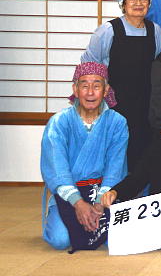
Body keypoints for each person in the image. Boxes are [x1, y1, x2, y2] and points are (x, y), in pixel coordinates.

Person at [40, 62, 128, 250]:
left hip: (103, 194)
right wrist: (78, 203)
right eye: (84, 85)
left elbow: (115, 169)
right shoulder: (59, 122)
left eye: (96, 86)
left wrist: (99, 204)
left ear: (106, 90)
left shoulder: (117, 122)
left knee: (119, 238)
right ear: (75, 89)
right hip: (68, 194)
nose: (90, 92)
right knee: (60, 240)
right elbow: (56, 169)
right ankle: (56, 215)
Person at [81, 0, 161, 169]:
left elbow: (156, 62)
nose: (138, 3)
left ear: (149, 4)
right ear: (123, 4)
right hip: (113, 103)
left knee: (140, 153)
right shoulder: (108, 30)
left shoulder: (155, 30)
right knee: (112, 153)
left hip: (144, 103)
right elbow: (89, 65)